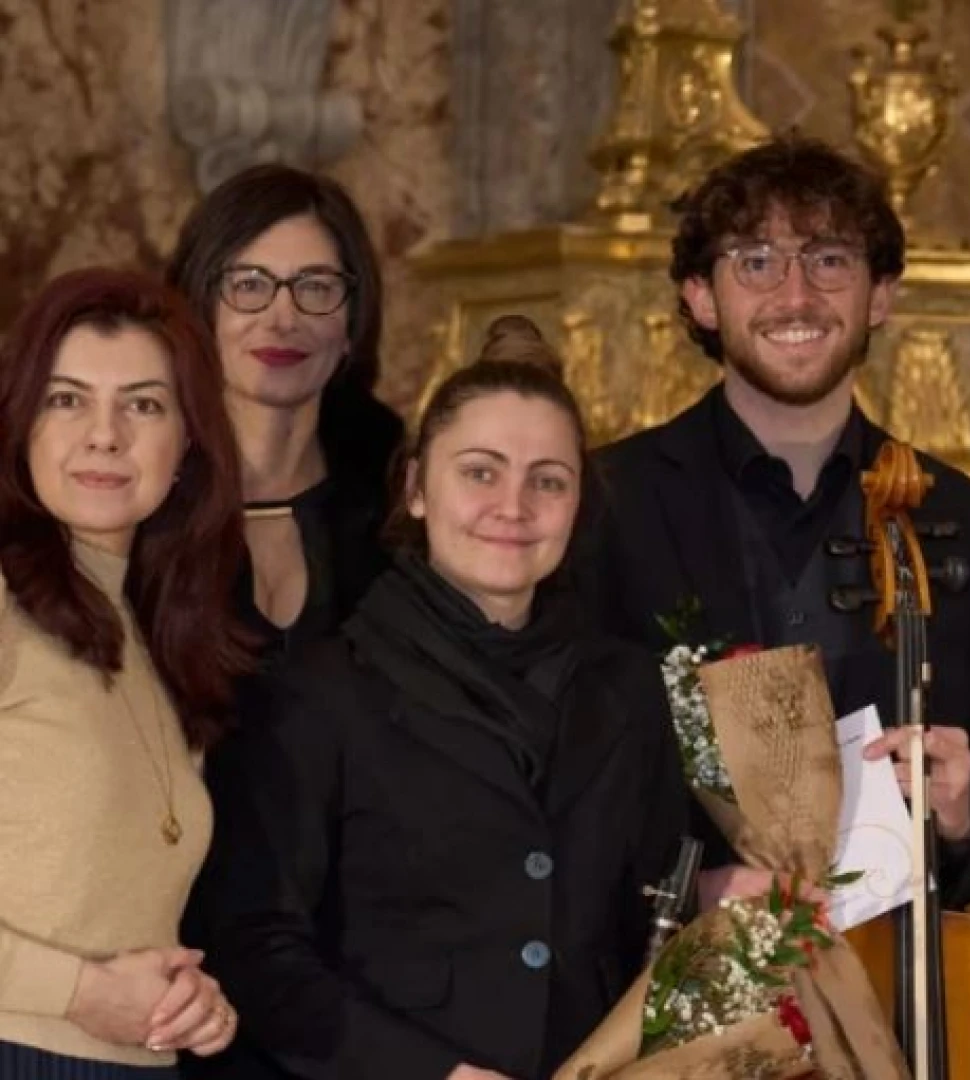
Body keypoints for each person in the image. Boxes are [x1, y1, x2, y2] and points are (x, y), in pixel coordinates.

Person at [575, 133, 970, 909]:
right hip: (669, 987)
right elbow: (561, 783)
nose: (796, 296)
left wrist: (966, 816)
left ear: (880, 296)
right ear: (701, 296)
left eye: (831, 259)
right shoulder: (603, 503)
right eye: (757, 261)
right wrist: (687, 888)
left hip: (899, 989)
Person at [194, 319, 690, 1079]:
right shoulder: (315, 695)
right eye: (480, 472)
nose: (514, 505)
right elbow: (255, 946)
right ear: (417, 488)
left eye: (548, 480)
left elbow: (645, 925)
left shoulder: (628, 688)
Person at [0, 268, 250, 1075]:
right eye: (66, 399)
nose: (104, 435)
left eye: (143, 404)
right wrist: (77, 991)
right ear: (19, 425)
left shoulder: (160, 640)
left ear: (187, 444)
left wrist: (192, 1005)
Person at [165, 163, 402, 661]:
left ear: (351, 322)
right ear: (201, 306)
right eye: (250, 285)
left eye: (315, 287)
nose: (283, 318)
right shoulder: (144, 494)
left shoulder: (401, 505)